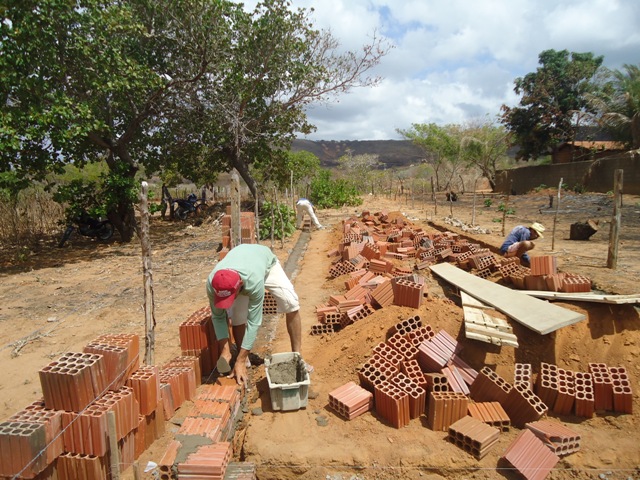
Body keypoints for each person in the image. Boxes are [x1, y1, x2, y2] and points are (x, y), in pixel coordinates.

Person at [206, 244, 310, 386]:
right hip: (240, 261)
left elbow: (254, 322)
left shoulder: (253, 281)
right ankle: (244, 358)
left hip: (265, 263)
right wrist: (225, 351)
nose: (228, 301)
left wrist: (239, 360)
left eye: (230, 296)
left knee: (290, 302)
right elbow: (218, 317)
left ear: (239, 285)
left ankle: (297, 356)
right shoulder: (212, 283)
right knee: (237, 316)